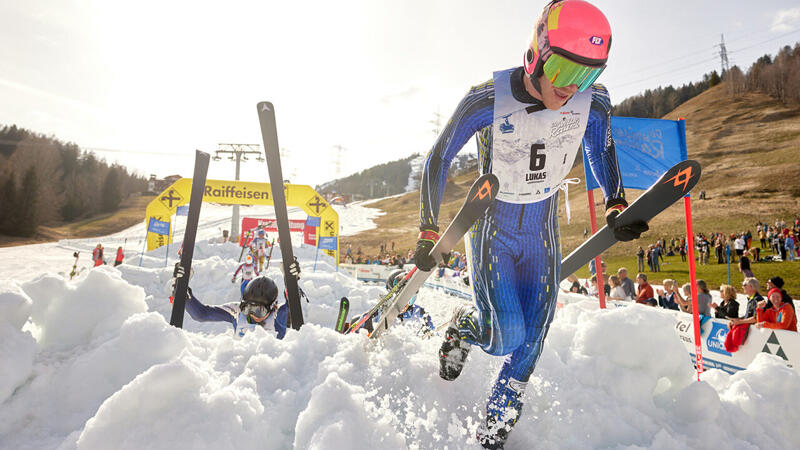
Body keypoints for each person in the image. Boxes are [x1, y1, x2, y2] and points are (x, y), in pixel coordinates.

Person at [415, 2, 648, 447]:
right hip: (493, 227)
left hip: (542, 229)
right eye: (562, 69)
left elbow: (602, 151)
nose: (570, 87)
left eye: (587, 74)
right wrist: (429, 228)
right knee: (505, 336)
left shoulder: (593, 102)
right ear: (537, 52)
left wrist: (617, 202)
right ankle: (465, 327)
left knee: (531, 344)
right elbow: (438, 157)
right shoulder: (488, 97)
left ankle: (494, 432)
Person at [184, 274, 289, 339]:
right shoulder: (237, 312)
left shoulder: (279, 314)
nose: (252, 315)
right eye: (247, 308)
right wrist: (185, 295)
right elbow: (201, 314)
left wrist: (291, 285)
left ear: (272, 307)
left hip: (271, 371)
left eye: (259, 310)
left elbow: (293, 306)